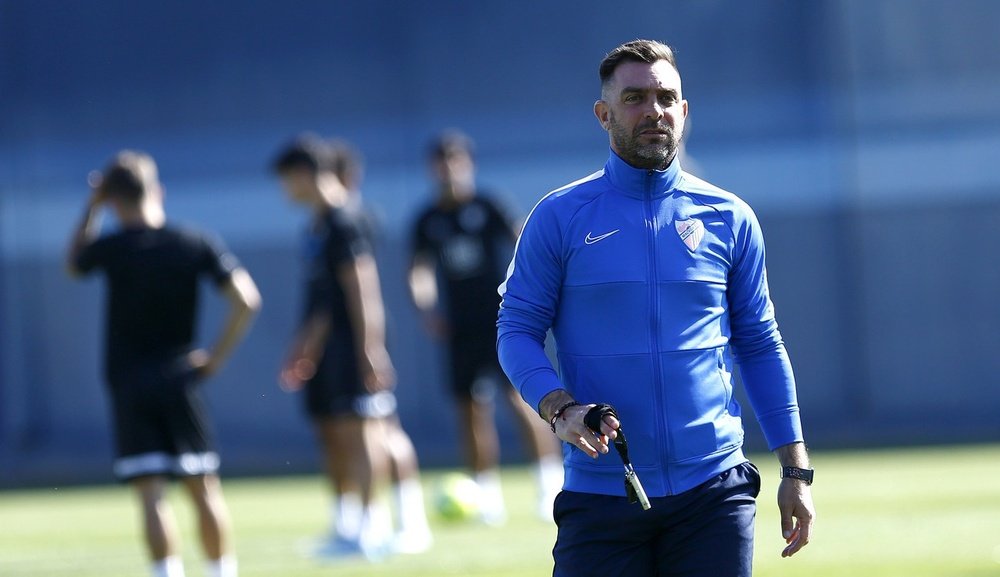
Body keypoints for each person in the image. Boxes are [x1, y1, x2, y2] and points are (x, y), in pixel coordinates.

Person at [496, 39, 816, 576]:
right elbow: (516, 329)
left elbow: (760, 345)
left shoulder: (730, 217)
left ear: (684, 111)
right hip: (602, 491)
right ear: (604, 114)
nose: (654, 111)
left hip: (713, 493)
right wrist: (560, 408)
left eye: (666, 98)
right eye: (635, 98)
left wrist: (796, 473)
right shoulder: (558, 217)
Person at [66, 150, 261, 577]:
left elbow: (74, 264)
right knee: (203, 486)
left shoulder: (112, 248)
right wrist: (215, 358)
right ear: (157, 190)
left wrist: (91, 207)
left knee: (151, 492)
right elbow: (246, 299)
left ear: (112, 198)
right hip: (180, 378)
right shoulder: (192, 242)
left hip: (128, 383)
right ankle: (221, 572)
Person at [272, 135, 431, 559]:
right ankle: (354, 524)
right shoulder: (318, 225)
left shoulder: (345, 221)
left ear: (304, 175)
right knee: (339, 433)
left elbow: (363, 289)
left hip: (354, 344)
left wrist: (370, 349)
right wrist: (304, 347)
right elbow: (323, 299)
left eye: (287, 181)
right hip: (331, 350)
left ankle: (383, 525)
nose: (285, 191)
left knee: (371, 433)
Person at [408, 131, 563, 524]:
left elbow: (523, 242)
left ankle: (549, 485)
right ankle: (485, 497)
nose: (448, 169)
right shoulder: (428, 219)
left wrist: (530, 290)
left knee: (521, 401)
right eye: (441, 161)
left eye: (455, 160)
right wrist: (427, 308)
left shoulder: (488, 205)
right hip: (459, 328)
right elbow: (419, 271)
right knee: (470, 409)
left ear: (467, 164)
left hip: (501, 322)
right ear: (432, 168)